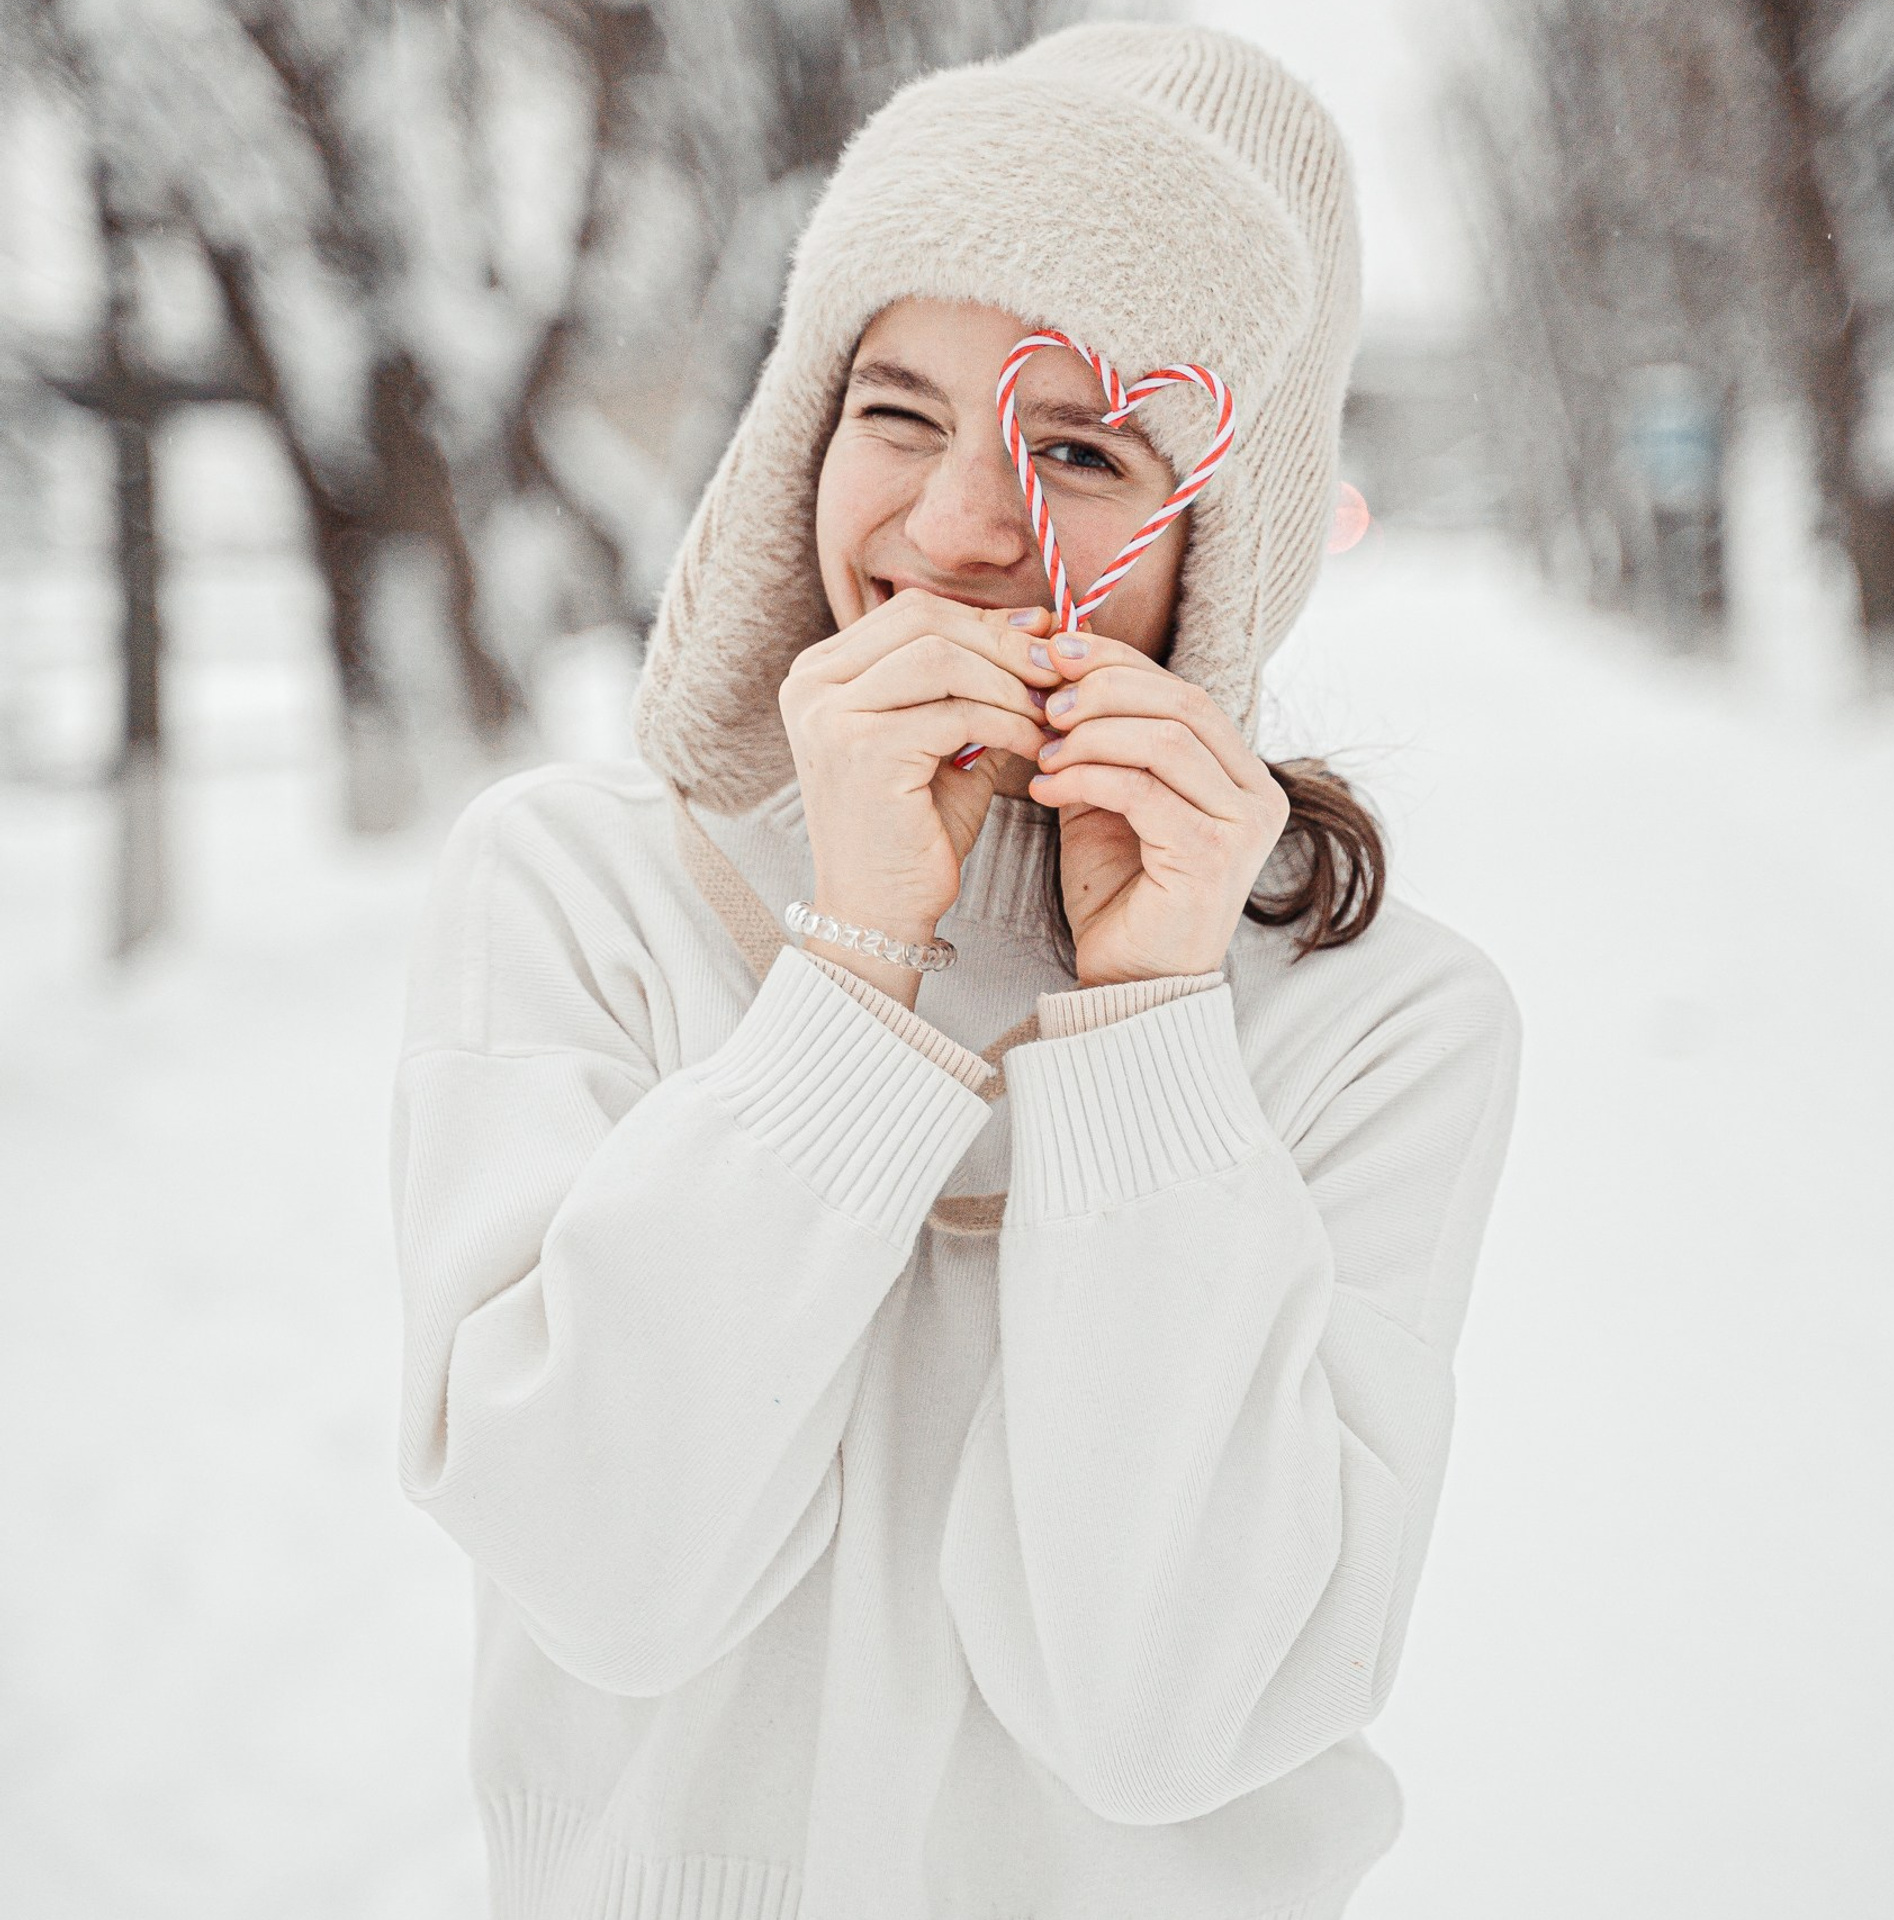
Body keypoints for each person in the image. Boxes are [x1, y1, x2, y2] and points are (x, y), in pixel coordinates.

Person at [388, 23, 1523, 1920]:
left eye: (1079, 450)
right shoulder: (577, 890)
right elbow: (602, 1567)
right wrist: (852, 967)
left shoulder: (1385, 1026)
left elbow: (1168, 1719)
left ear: (1227, 542)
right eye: (897, 412)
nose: (953, 530)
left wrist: (1146, 1025)